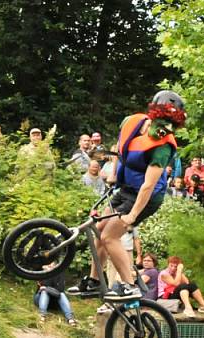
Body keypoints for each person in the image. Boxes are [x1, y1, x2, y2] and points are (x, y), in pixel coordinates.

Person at [69, 90, 186, 302]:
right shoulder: (132, 122)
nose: (164, 130)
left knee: (110, 237)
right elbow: (119, 149)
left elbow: (149, 185)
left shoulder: (163, 147)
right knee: (100, 230)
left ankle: (129, 285)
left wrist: (132, 215)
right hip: (125, 189)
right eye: (162, 122)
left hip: (146, 198)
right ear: (153, 114)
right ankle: (94, 281)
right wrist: (114, 174)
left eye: (169, 125)